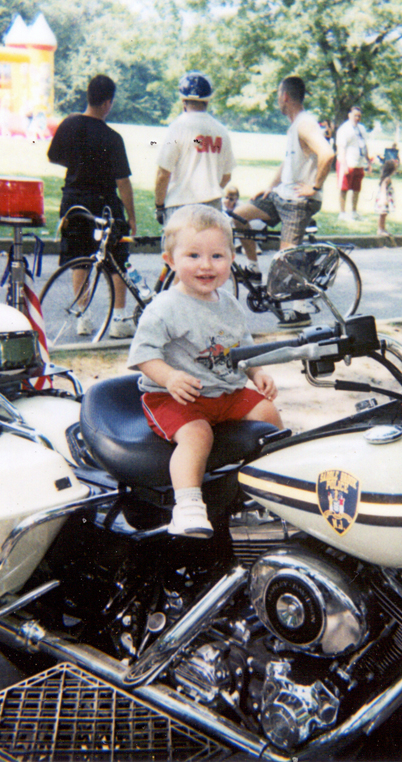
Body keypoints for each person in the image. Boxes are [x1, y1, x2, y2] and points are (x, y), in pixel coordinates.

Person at [128, 205, 283, 538]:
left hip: (225, 390)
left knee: (268, 413)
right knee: (198, 436)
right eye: (193, 255)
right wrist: (169, 377)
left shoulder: (228, 303)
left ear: (231, 257)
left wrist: (256, 373)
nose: (206, 265)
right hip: (176, 396)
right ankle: (187, 505)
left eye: (217, 255)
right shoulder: (165, 308)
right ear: (170, 260)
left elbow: (242, 346)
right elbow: (143, 355)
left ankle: (275, 483)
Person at [232, 76, 334, 328]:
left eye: (278, 94)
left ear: (285, 96)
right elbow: (288, 162)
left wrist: (315, 186)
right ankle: (253, 267)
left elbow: (328, 153)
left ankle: (301, 311)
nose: (277, 99)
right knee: (237, 217)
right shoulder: (295, 125)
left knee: (286, 257)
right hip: (281, 195)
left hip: (297, 202)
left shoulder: (305, 124)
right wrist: (270, 186)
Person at [48, 74, 137, 339]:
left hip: (74, 201)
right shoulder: (112, 138)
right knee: (117, 260)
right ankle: (119, 319)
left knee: (78, 260)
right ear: (108, 102)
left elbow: (54, 157)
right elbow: (123, 182)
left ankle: (83, 317)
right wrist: (131, 216)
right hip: (105, 203)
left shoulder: (69, 124)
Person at [154, 72, 235, 234]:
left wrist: (159, 205)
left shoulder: (177, 127)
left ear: (183, 100)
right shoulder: (221, 131)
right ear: (208, 100)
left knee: (177, 256)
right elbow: (227, 176)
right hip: (212, 206)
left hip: (180, 205)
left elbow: (163, 173)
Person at [336, 106, 372, 221]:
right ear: (349, 115)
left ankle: (354, 212)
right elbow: (341, 147)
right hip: (348, 162)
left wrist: (368, 161)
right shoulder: (344, 129)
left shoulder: (361, 129)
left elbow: (364, 145)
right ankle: (342, 212)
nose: (357, 118)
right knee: (344, 188)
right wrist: (344, 164)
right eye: (355, 115)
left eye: (359, 116)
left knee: (356, 189)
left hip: (359, 163)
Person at [374, 159, 397, 238]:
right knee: (382, 214)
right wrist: (384, 199)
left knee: (384, 214)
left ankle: (383, 228)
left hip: (385, 197)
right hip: (384, 198)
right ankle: (380, 229)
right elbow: (383, 188)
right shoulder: (387, 179)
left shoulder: (386, 178)